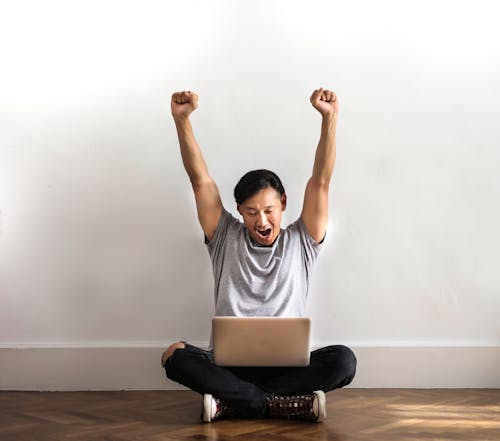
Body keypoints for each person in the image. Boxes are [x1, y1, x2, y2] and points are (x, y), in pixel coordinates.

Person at [162, 88, 357, 423]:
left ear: (283, 203)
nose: (262, 221)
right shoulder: (225, 236)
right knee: (174, 356)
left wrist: (330, 119)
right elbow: (200, 181)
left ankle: (234, 402)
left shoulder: (302, 240)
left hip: (286, 368)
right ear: (238, 211)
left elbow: (321, 182)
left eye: (269, 210)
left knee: (344, 360)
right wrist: (182, 121)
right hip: (228, 365)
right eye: (251, 212)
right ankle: (281, 404)